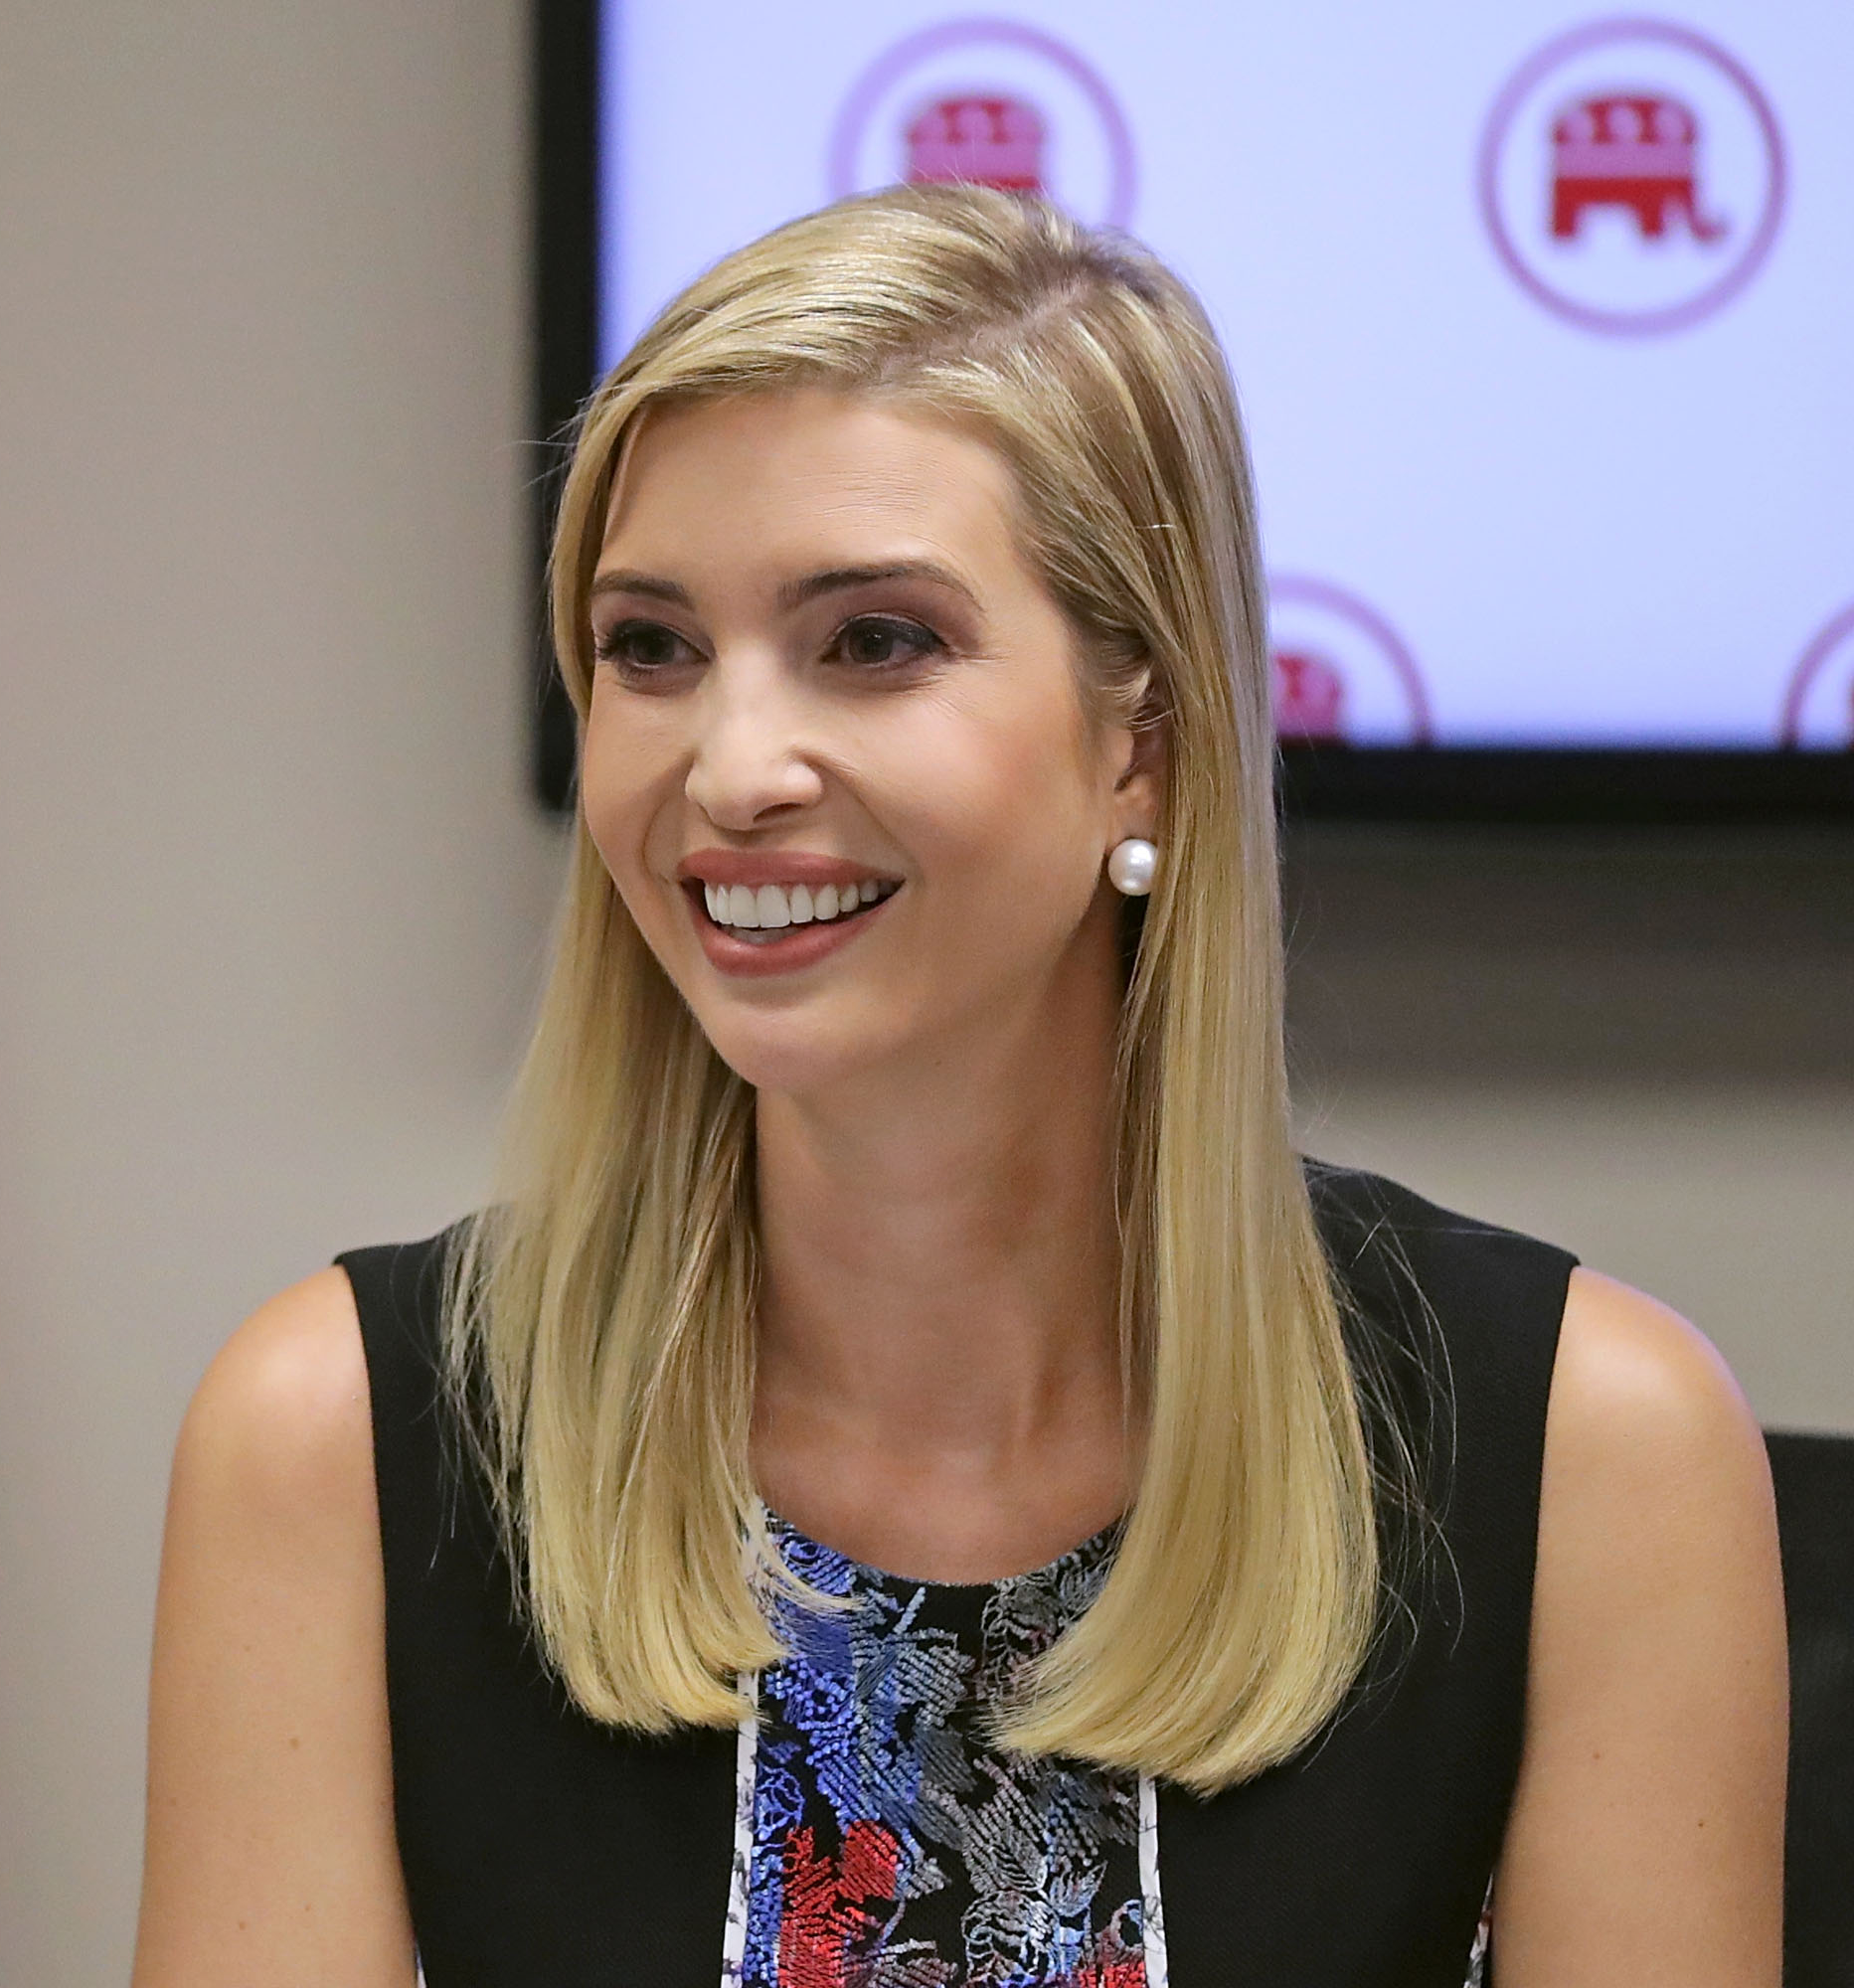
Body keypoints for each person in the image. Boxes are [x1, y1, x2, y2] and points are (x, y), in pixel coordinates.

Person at [129, 188, 1786, 1987]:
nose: (731, 766)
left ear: (1140, 743)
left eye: (876, 640)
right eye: (651, 648)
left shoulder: (1585, 1451)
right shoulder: (337, 1445)